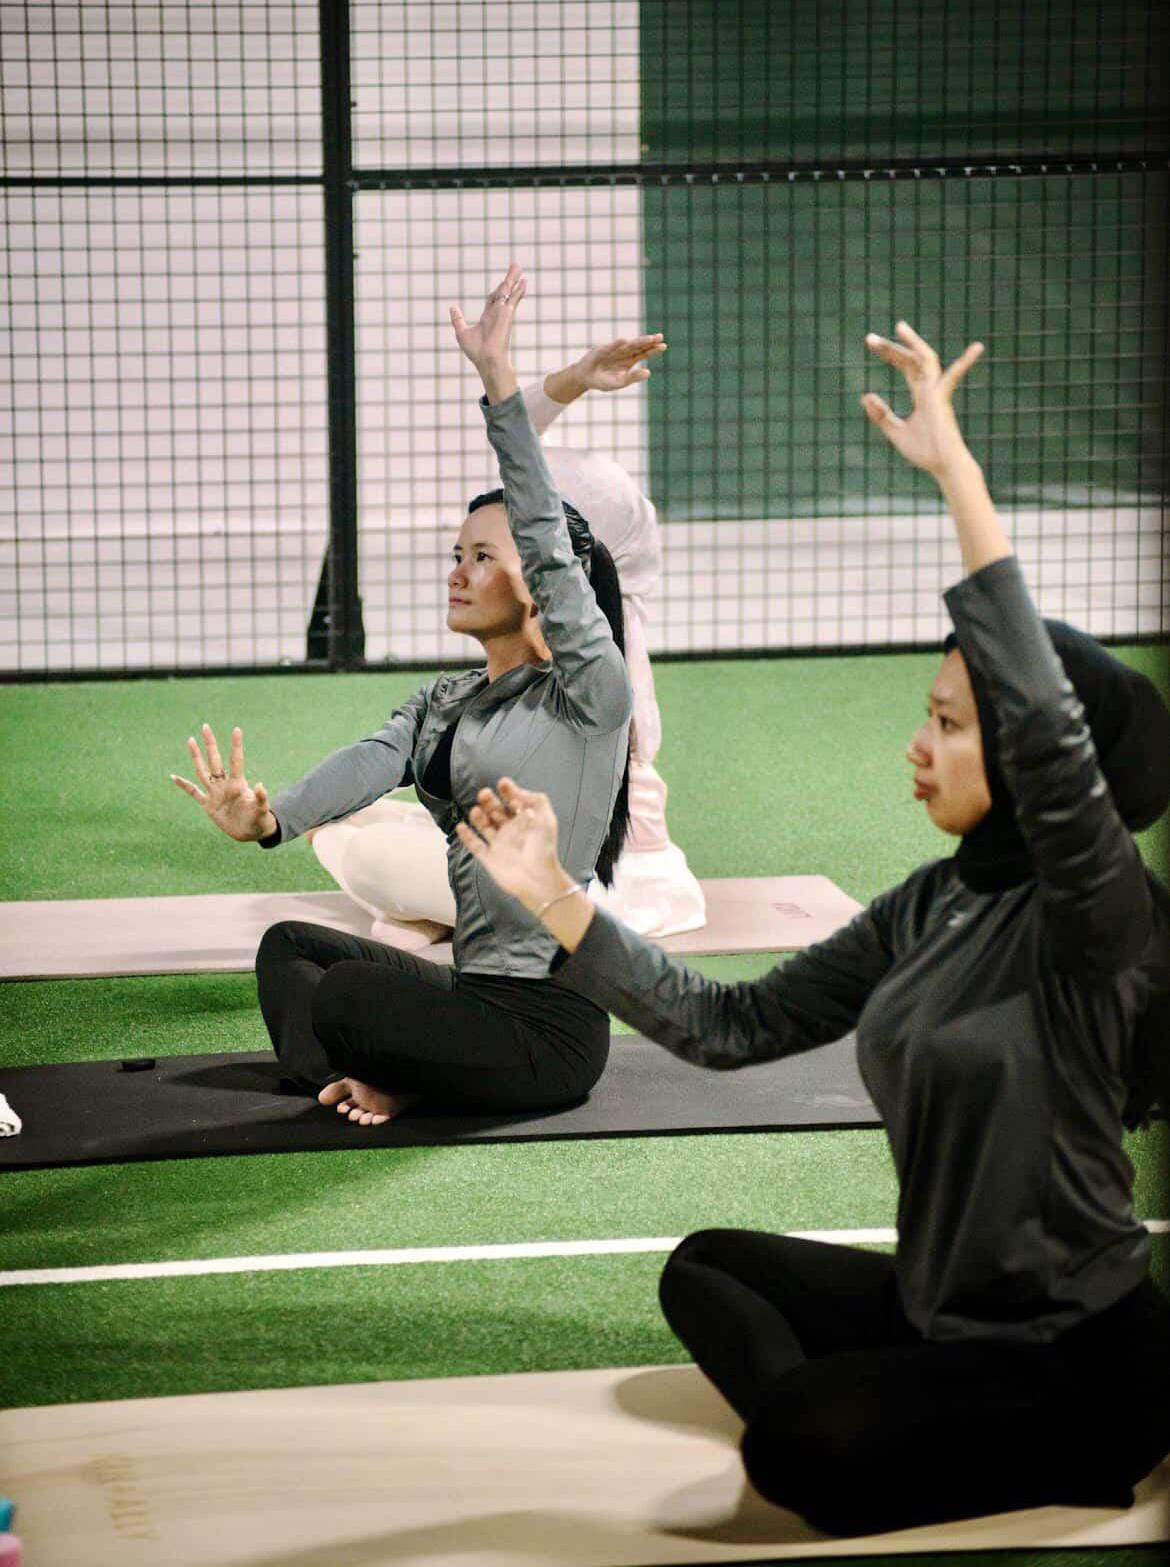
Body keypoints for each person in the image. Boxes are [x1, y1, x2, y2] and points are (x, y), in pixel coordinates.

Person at [453, 322, 1170, 1535]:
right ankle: (906, 1408)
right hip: (941, 1316)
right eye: (928, 715)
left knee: (795, 1443)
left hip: (1075, 1353)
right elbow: (729, 1025)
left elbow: (1048, 719)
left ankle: (980, 1432)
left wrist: (957, 476)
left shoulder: (1096, 916)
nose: (919, 744)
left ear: (1036, 764)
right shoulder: (932, 906)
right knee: (709, 1268)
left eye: (952, 724)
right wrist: (556, 896)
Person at [171, 264, 633, 1128]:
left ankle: (398, 1075)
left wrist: (500, 379)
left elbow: (541, 526)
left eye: (482, 558)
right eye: (457, 554)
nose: (458, 572)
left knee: (350, 996)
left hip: (548, 1025)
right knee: (291, 950)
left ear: (543, 584)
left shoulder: (588, 695)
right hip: (474, 995)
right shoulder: (446, 699)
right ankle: (363, 1079)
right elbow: (371, 760)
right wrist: (270, 819)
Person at [307, 337, 706, 948]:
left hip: (580, 889)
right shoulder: (589, 593)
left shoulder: (587, 650)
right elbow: (516, 450)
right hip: (524, 850)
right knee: (355, 817)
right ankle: (431, 906)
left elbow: (523, 468)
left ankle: (436, 909)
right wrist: (574, 378)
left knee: (355, 845)